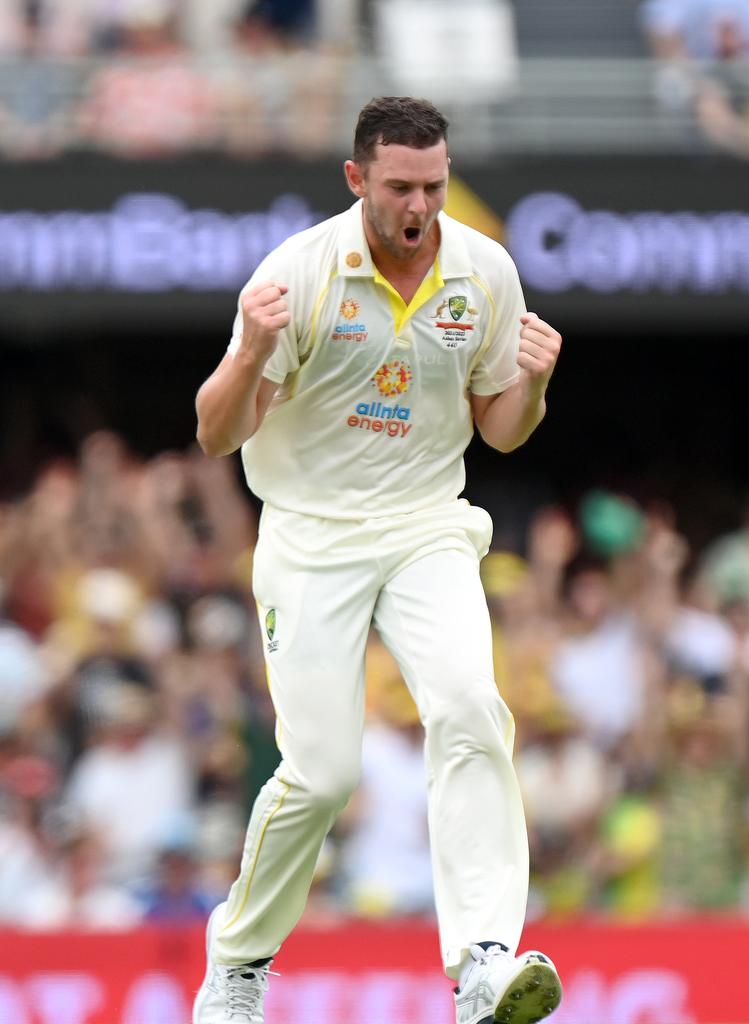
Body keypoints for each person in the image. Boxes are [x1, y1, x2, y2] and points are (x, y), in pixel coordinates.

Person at [193, 95, 564, 1024]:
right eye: (401, 186)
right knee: (320, 776)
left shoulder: (485, 272)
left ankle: (482, 959)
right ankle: (238, 965)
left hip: (426, 523)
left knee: (473, 706)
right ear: (357, 179)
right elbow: (214, 433)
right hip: (311, 534)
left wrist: (537, 381)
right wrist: (249, 353)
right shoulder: (302, 272)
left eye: (434, 186)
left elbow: (502, 432)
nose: (420, 207)